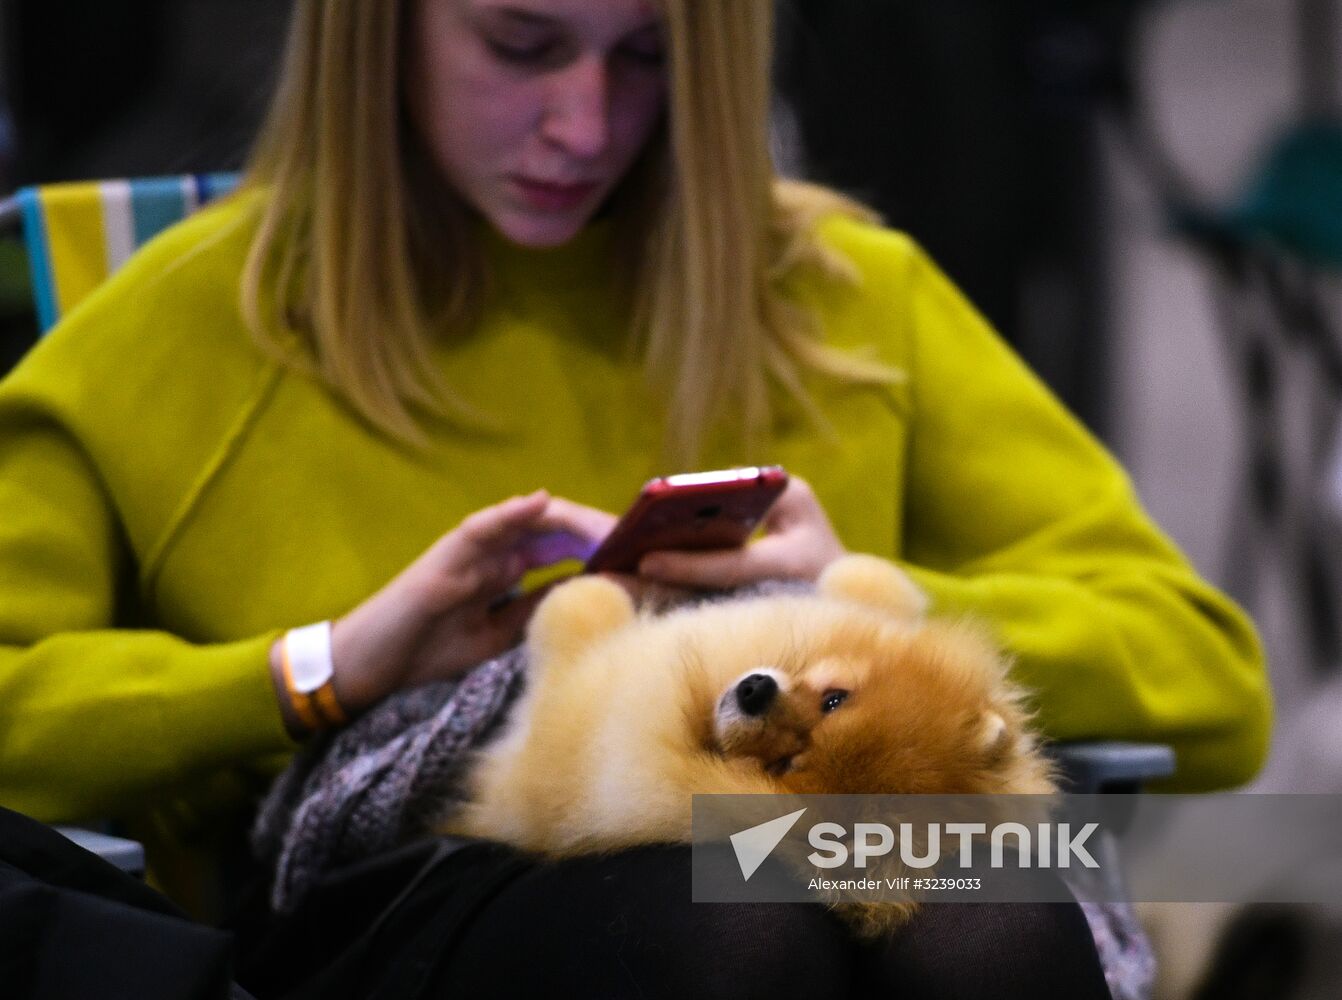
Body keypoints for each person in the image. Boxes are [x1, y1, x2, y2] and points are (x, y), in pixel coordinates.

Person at [0, 0, 1270, 996]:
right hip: (400, 900)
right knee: (736, 920)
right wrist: (324, 667)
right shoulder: (182, 330)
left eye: (651, 56)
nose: (587, 123)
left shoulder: (839, 296)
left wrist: (857, 612)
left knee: (975, 902)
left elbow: (1209, 678)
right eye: (521, 42)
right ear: (377, 24)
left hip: (798, 852)